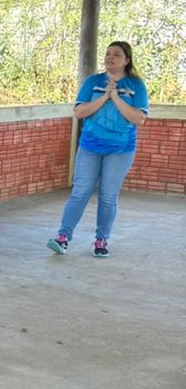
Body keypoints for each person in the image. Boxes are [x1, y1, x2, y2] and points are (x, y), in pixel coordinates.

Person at [47, 41, 149, 258]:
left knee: (107, 195)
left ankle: (101, 240)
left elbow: (139, 118)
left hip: (120, 149)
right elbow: (79, 111)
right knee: (80, 191)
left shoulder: (136, 86)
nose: (110, 58)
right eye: (107, 54)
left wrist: (115, 97)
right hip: (90, 146)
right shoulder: (93, 82)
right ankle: (63, 237)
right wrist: (104, 96)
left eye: (116, 55)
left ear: (126, 60)